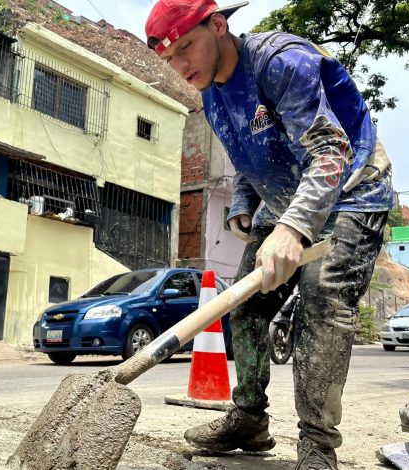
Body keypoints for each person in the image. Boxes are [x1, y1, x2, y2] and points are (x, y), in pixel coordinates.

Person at [144, 1, 394, 469]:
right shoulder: (211, 93)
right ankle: (249, 419)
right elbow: (251, 152)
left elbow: (330, 150)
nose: (180, 66)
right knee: (245, 305)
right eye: (169, 59)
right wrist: (244, 202)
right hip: (285, 201)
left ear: (218, 25)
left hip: (350, 192)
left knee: (323, 302)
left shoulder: (281, 63)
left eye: (186, 48)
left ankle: (317, 446)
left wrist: (293, 228)